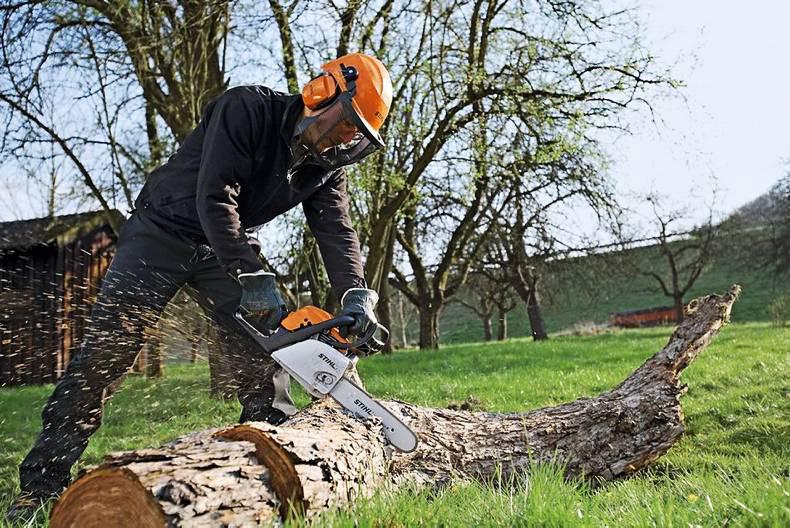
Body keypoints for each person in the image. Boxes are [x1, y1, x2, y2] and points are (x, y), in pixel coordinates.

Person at [5, 52, 393, 522]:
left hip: (225, 247)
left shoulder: (327, 164)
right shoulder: (246, 108)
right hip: (162, 231)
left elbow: (336, 229)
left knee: (265, 348)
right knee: (106, 354)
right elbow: (216, 195)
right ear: (322, 93)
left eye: (357, 134)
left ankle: (271, 461)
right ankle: (40, 485)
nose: (347, 137)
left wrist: (356, 294)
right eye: (348, 123)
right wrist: (250, 272)